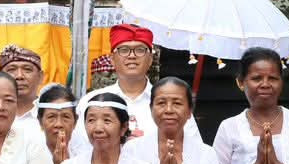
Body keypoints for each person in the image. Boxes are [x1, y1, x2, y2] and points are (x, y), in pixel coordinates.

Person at [69, 24, 200, 156]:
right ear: (112, 59)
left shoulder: (170, 102)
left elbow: (194, 150)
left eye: (140, 50)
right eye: (124, 50)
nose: (132, 56)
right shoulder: (92, 101)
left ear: (150, 59)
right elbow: (79, 150)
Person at [0, 45, 45, 141]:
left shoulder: (54, 118)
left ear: (40, 77)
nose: (19, 76)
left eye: (27, 70)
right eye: (12, 69)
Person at [36, 84, 77, 164]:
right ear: (40, 121)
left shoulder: (84, 157)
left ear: (75, 121)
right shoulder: (31, 156)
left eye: (66, 117)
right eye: (51, 117)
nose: (59, 124)